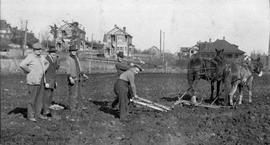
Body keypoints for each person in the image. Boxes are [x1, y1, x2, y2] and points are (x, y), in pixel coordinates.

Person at [19, 42, 49, 122]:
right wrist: (29, 71)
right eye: (37, 50)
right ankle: (30, 116)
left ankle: (38, 114)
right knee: (32, 99)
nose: (39, 51)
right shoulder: (30, 57)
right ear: (33, 50)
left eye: (40, 50)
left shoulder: (42, 57)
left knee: (39, 99)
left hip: (41, 80)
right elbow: (22, 65)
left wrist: (43, 70)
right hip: (32, 81)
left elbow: (47, 63)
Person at [66, 45, 88, 121]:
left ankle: (77, 107)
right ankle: (72, 109)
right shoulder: (68, 59)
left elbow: (79, 67)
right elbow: (68, 69)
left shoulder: (76, 58)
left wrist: (83, 74)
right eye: (72, 51)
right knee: (73, 94)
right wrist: (70, 77)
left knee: (79, 94)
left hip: (78, 78)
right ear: (70, 51)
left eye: (75, 51)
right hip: (73, 78)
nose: (74, 52)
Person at [43, 45, 59, 119]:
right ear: (49, 53)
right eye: (52, 52)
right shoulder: (46, 60)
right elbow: (43, 72)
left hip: (52, 81)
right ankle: (45, 111)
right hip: (48, 82)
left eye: (55, 52)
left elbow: (55, 70)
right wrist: (45, 82)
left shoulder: (53, 60)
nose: (54, 54)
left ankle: (48, 110)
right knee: (46, 97)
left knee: (50, 97)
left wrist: (55, 81)